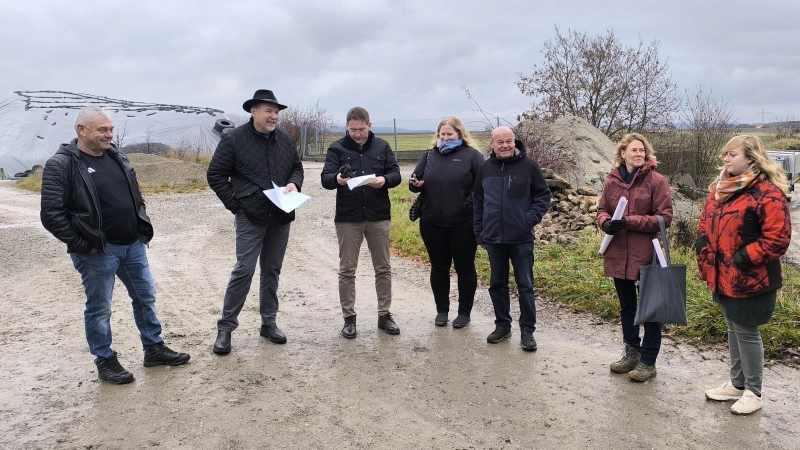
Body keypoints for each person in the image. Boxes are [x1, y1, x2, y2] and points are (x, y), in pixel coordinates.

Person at [40, 106, 190, 384]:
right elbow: (51, 214)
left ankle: (154, 349)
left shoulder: (117, 156)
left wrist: (140, 220)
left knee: (145, 297)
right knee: (100, 308)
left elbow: (135, 194)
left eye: (110, 129)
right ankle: (105, 360)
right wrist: (83, 244)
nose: (109, 134)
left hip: (133, 244)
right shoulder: (62, 164)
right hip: (98, 251)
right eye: (102, 130)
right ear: (81, 130)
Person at [697, 135, 791, 415]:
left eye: (732, 155)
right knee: (733, 328)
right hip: (721, 276)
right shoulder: (719, 190)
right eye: (725, 155)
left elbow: (778, 238)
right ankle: (737, 385)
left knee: (747, 332)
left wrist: (742, 259)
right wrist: (703, 250)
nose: (726, 159)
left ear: (751, 158)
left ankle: (754, 391)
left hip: (751, 278)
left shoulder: (767, 193)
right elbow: (705, 224)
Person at [207, 89, 304, 354]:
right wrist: (237, 206)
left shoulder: (284, 139)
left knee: (272, 270)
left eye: (276, 112)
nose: (274, 116)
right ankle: (225, 329)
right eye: (268, 111)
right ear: (253, 111)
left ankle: (268, 323)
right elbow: (216, 175)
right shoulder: (234, 140)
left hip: (281, 215)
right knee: (244, 270)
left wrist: (295, 183)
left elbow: (297, 166)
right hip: (250, 216)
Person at [597, 132, 673, 382]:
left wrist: (629, 222)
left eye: (642, 150)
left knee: (650, 310)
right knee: (627, 307)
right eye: (634, 150)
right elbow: (602, 209)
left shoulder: (656, 181)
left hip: (647, 255)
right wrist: (605, 223)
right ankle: (632, 351)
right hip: (618, 254)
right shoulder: (612, 181)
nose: (639, 154)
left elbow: (664, 218)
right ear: (623, 153)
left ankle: (649, 361)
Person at [321, 106, 402, 339]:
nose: (357, 134)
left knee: (383, 268)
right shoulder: (336, 148)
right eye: (353, 130)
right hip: (348, 217)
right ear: (347, 127)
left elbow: (396, 174)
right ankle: (349, 319)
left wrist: (383, 180)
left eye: (361, 129)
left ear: (370, 125)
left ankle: (384, 315)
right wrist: (338, 179)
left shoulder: (382, 147)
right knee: (347, 270)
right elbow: (326, 179)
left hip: (378, 216)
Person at [472, 126, 551, 351]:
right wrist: (480, 231)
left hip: (521, 237)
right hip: (494, 238)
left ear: (514, 142)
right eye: (500, 142)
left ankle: (527, 330)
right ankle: (502, 326)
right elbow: (477, 201)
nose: (505, 145)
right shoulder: (485, 169)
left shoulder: (528, 167)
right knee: (497, 284)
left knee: (525, 284)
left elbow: (543, 195)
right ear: (492, 144)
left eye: (509, 141)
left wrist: (529, 219)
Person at [409, 116, 484, 328]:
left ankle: (464, 312)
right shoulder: (430, 155)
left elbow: (484, 185)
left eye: (449, 134)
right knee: (439, 267)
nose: (445, 137)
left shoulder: (472, 156)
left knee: (465, 268)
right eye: (442, 134)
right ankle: (442, 311)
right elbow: (415, 182)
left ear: (459, 134)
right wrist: (416, 183)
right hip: (432, 222)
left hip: (463, 223)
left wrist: (468, 204)